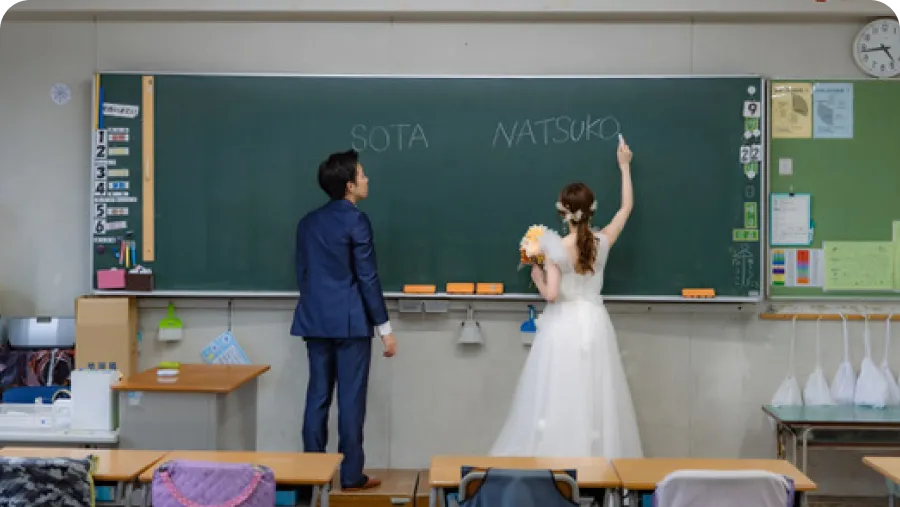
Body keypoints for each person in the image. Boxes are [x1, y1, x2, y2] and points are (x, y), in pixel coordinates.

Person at [489, 140, 642, 459]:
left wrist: (536, 274)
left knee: (559, 393)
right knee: (594, 394)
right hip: (595, 322)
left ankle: (558, 460)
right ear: (591, 210)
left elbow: (551, 295)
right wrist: (625, 166)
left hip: (563, 326)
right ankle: (594, 461)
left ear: (563, 212)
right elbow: (626, 207)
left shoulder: (555, 247)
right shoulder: (603, 241)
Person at [291, 149, 397, 490]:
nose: (367, 179)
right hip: (350, 323)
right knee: (351, 400)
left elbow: (303, 273)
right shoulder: (357, 221)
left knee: (317, 396)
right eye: (362, 175)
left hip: (314, 319)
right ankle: (351, 475)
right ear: (349, 186)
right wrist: (385, 329)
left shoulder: (307, 222)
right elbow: (367, 277)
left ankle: (311, 476)